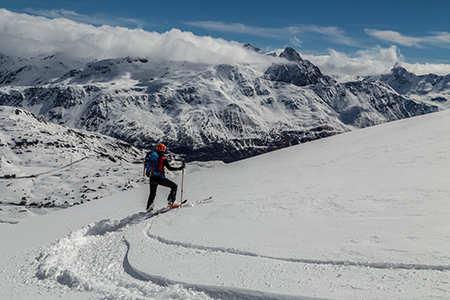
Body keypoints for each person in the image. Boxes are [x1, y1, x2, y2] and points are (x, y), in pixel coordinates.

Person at [145, 143, 185, 212]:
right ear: (164, 150)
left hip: (152, 178)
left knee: (152, 193)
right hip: (159, 178)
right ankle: (171, 202)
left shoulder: (153, 157)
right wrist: (179, 168)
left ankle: (149, 207)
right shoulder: (163, 159)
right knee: (174, 186)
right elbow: (169, 168)